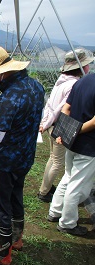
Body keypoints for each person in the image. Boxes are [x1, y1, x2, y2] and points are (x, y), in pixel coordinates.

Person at [0, 46, 45, 265]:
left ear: (3, 73)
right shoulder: (36, 86)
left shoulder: (9, 99)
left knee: (0, 204)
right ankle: (16, 239)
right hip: (26, 155)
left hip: (6, 161)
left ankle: (2, 252)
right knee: (16, 196)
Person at [38, 48, 93, 202]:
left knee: (53, 159)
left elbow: (50, 105)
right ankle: (44, 192)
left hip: (53, 125)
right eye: (87, 65)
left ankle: (46, 188)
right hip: (60, 126)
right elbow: (62, 109)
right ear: (81, 67)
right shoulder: (73, 85)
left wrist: (45, 123)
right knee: (58, 163)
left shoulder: (62, 81)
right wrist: (62, 131)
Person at [48, 72, 95, 236]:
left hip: (72, 143)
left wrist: (68, 131)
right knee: (78, 185)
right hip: (89, 145)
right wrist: (77, 131)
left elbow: (66, 108)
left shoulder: (83, 81)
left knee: (68, 176)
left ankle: (55, 211)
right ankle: (67, 223)